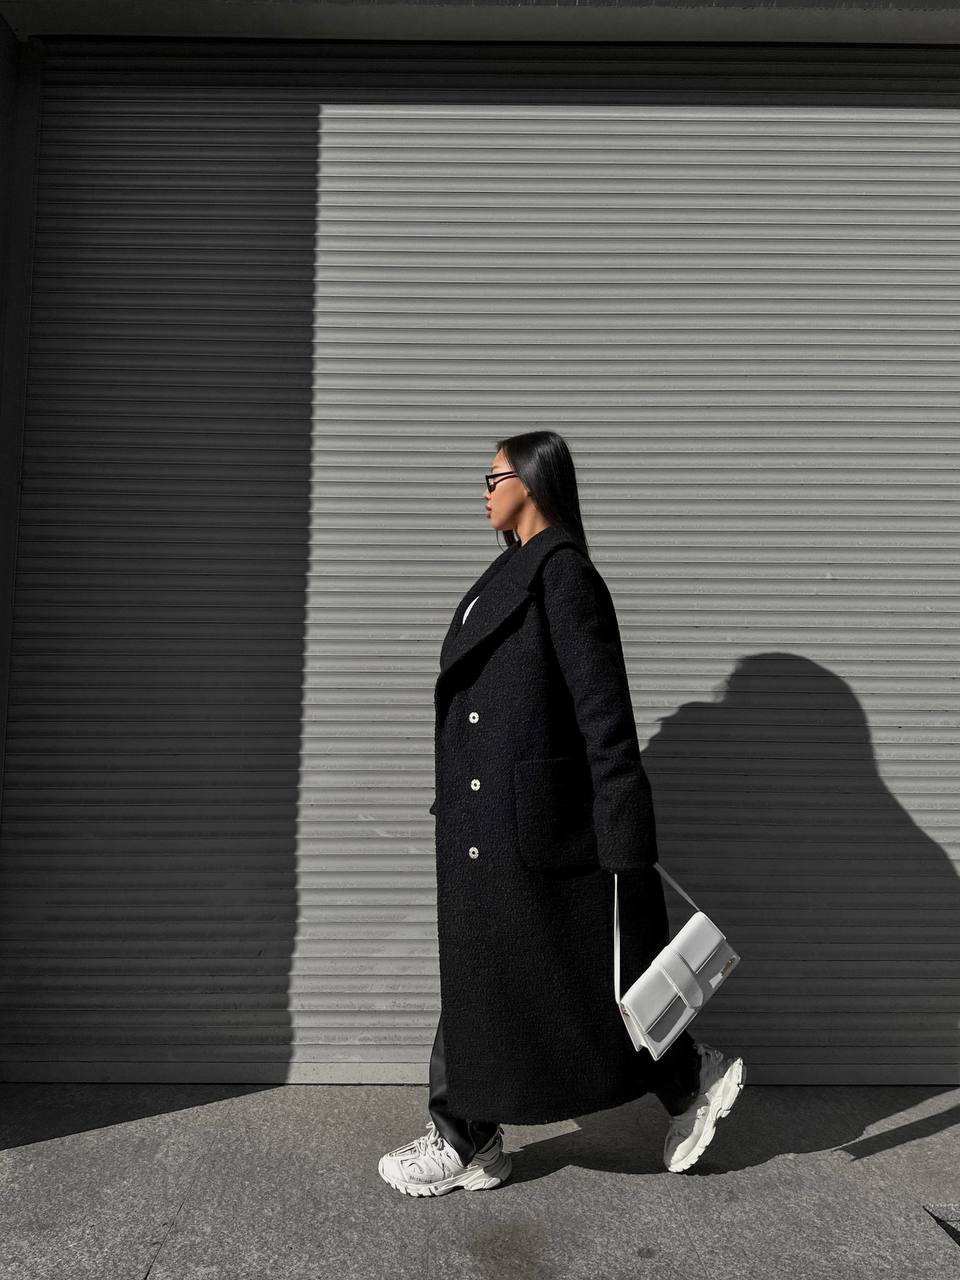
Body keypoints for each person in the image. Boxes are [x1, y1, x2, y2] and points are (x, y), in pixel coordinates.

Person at [378, 432, 745, 1197]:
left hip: (538, 836)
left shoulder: (564, 574)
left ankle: (474, 1135)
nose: (481, 489)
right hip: (493, 831)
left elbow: (604, 719)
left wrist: (625, 848)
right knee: (503, 985)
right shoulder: (510, 572)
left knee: (576, 985)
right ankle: (480, 1133)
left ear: (534, 481)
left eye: (493, 475)